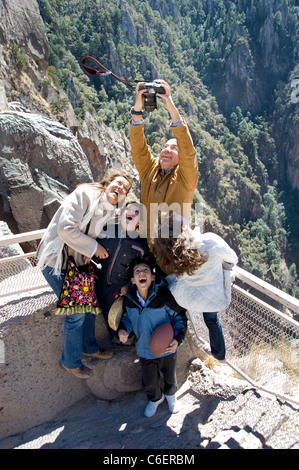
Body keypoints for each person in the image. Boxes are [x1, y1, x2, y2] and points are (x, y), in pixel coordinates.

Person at [37, 170, 132, 379]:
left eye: (125, 189)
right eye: (118, 183)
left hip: (76, 263)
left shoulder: (107, 210)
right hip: (56, 261)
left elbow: (91, 231)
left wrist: (89, 251)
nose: (121, 189)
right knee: (76, 312)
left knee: (90, 306)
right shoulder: (85, 194)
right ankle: (70, 362)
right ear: (108, 182)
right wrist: (93, 248)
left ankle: (89, 347)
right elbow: (66, 228)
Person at [152, 212, 238, 362]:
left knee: (209, 318)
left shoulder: (167, 253)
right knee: (211, 320)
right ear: (184, 227)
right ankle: (220, 355)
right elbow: (232, 258)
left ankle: (216, 352)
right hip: (214, 296)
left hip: (188, 298)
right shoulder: (209, 241)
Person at [118, 259, 187, 417]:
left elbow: (180, 317)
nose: (142, 273)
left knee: (170, 376)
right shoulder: (129, 300)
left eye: (146, 270)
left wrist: (178, 339)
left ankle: (171, 396)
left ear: (153, 277)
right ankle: (155, 399)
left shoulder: (163, 297)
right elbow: (126, 319)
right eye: (137, 272)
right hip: (144, 350)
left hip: (167, 348)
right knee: (150, 381)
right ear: (133, 281)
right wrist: (123, 330)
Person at [130, 80, 198, 240]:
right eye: (165, 147)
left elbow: (188, 151)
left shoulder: (186, 178)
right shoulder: (150, 169)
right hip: (145, 245)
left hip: (171, 251)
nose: (167, 150)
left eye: (174, 148)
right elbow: (138, 148)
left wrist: (170, 106)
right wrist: (137, 110)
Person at [93, 201, 149, 339]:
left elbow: (141, 268)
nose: (132, 213)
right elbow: (90, 247)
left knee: (113, 314)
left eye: (137, 213)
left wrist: (129, 285)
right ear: (121, 212)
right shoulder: (105, 229)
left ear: (139, 222)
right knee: (97, 309)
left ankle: (123, 338)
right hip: (96, 280)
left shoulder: (141, 244)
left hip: (118, 286)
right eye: (129, 209)